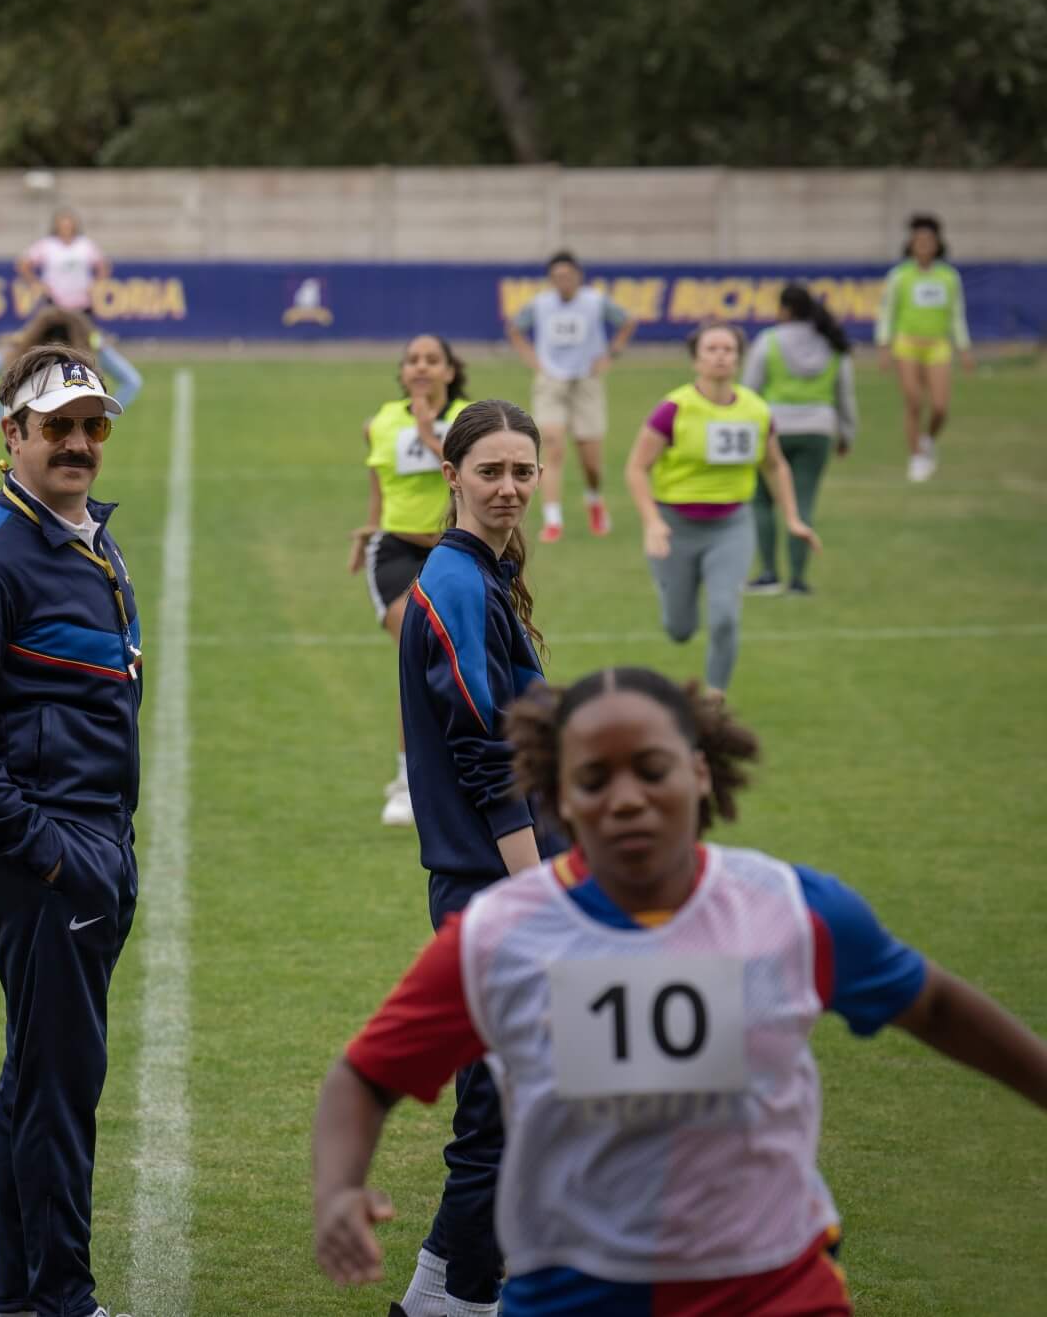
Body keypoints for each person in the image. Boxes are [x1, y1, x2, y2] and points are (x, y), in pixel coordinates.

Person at [312, 666, 1047, 1316]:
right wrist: (337, 1189)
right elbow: (366, 1075)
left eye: (652, 768)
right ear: (556, 800)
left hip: (774, 1288)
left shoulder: (793, 910)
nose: (626, 798)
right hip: (571, 1292)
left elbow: (936, 1005)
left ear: (699, 772)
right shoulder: (496, 938)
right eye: (594, 779)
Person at [0, 345, 140, 1317]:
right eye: (56, 427)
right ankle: (62, 1299)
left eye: (91, 426)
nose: (78, 444)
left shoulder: (88, 537)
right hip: (49, 855)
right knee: (58, 1091)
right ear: (10, 435)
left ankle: (24, 1299)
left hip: (88, 841)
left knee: (36, 1076)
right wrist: (49, 853)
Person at [390, 399, 563, 1317]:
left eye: (522, 472)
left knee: (517, 1107)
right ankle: (454, 1302)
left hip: (505, 883)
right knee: (500, 1115)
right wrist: (536, 888)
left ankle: (445, 1296)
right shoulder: (455, 584)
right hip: (491, 890)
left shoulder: (484, 577)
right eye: (489, 471)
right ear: (451, 473)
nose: (507, 488)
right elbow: (482, 748)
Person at [623, 322, 820, 692]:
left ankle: (715, 698)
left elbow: (775, 465)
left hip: (731, 526)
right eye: (711, 349)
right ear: (696, 359)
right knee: (679, 629)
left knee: (725, 616)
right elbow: (636, 467)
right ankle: (675, 596)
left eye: (728, 349)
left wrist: (793, 518)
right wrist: (651, 521)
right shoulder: (673, 409)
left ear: (739, 359)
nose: (720, 356)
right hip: (674, 525)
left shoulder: (756, 410)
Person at [348, 333, 473, 828]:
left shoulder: (471, 420)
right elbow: (380, 485)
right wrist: (367, 527)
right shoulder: (380, 422)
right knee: (419, 651)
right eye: (413, 360)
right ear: (403, 372)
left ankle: (461, 765)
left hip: (457, 549)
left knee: (462, 663)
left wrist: (429, 433)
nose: (421, 367)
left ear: (449, 370)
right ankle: (407, 781)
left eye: (432, 360)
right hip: (396, 550)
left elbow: (471, 476)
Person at [505, 252, 636, 544]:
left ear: (578, 276)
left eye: (568, 275)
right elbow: (515, 328)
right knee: (551, 445)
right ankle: (553, 519)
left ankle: (594, 500)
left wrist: (610, 355)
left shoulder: (595, 301)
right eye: (557, 277)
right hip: (551, 382)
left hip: (586, 382)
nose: (563, 281)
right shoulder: (540, 304)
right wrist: (533, 360)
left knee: (590, 460)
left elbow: (627, 322)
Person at [744, 284, 856, 597]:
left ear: (785, 309)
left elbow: (749, 388)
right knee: (802, 502)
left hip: (773, 427)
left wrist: (744, 428)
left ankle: (768, 573)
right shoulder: (833, 344)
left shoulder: (769, 341)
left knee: (762, 501)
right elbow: (844, 394)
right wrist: (846, 432)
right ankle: (797, 580)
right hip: (817, 430)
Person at [876, 213, 975, 483]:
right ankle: (916, 456)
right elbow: (888, 311)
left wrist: (964, 347)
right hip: (907, 344)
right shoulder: (900, 276)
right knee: (914, 401)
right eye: (918, 240)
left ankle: (928, 439)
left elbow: (956, 313)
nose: (923, 245)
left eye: (928, 240)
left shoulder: (948, 276)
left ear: (937, 244)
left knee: (940, 407)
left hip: (938, 346)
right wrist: (884, 346)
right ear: (910, 244)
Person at [0, 305, 143, 425]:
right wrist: (102, 418)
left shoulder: (22, 350)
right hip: (66, 429)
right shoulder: (92, 350)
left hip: (34, 431)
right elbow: (132, 381)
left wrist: (4, 417)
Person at [16, 208, 110, 313]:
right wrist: (37, 284)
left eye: (69, 225)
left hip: (82, 302)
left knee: (81, 328)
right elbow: (23, 264)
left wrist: (95, 285)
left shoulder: (85, 244)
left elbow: (103, 266)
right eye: (63, 225)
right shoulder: (47, 245)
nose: (66, 228)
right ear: (57, 227)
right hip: (54, 302)